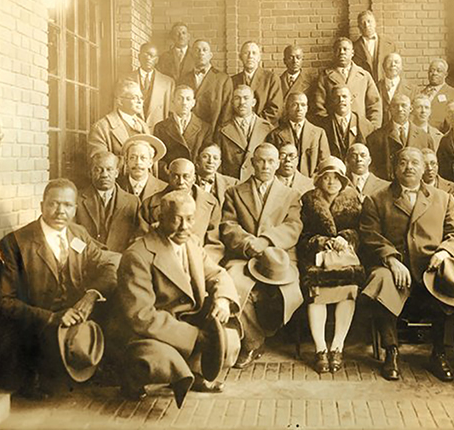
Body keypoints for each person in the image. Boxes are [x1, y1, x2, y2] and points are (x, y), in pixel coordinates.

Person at [0, 179, 118, 397]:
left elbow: (109, 262)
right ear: (42, 206)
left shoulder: (78, 236)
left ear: (75, 209)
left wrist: (91, 295)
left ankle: (90, 364)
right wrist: (51, 317)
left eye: (67, 205)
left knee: (118, 305)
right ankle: (39, 374)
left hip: (72, 326)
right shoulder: (15, 244)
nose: (60, 211)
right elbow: (1, 302)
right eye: (54, 204)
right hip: (34, 327)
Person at [117, 191, 241, 406]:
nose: (185, 226)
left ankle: (191, 370)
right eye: (177, 218)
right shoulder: (138, 255)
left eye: (190, 218)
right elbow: (141, 316)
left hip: (183, 326)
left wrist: (222, 299)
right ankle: (134, 378)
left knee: (229, 342)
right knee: (160, 362)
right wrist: (194, 336)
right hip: (150, 333)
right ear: (161, 218)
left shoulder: (190, 243)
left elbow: (216, 273)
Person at [360, 147, 454, 382]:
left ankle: (439, 353)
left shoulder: (443, 198)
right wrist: (390, 259)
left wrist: (444, 252)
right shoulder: (377, 199)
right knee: (381, 279)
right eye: (403, 163)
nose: (409, 167)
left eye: (414, 163)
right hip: (395, 268)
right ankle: (392, 351)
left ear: (424, 168)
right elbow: (370, 235)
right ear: (394, 168)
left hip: (429, 266)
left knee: (448, 279)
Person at [220, 143, 303, 368]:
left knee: (285, 291)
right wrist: (248, 243)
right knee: (231, 283)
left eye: (270, 161)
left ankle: (261, 334)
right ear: (252, 163)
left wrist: (266, 241)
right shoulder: (234, 192)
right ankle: (253, 342)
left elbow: (293, 226)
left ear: (278, 164)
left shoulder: (291, 195)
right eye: (261, 161)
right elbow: (228, 225)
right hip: (244, 256)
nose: (265, 165)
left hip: (278, 256)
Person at [297, 158, 365, 373]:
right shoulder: (308, 200)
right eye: (326, 177)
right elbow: (302, 235)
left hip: (345, 257)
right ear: (319, 180)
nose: (331, 182)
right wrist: (321, 241)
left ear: (343, 181)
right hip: (316, 257)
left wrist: (346, 238)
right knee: (316, 290)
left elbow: (360, 230)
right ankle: (320, 349)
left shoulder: (352, 199)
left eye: (336, 178)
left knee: (349, 290)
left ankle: (337, 346)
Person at [139, 158, 223, 264]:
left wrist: (199, 263)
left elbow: (214, 244)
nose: (180, 182)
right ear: (169, 177)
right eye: (175, 176)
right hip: (161, 263)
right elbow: (142, 239)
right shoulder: (149, 204)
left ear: (194, 178)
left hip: (200, 263)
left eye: (186, 176)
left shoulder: (211, 203)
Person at [75, 151, 141, 253]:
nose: (104, 175)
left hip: (120, 262)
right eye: (98, 170)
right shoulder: (76, 199)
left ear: (116, 173)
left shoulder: (133, 202)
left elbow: (138, 237)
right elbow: (70, 236)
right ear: (90, 173)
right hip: (86, 261)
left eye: (109, 169)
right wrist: (86, 254)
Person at [312, 37, 382, 130]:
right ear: (334, 53)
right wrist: (328, 127)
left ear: (352, 53)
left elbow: (374, 104)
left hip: (360, 128)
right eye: (338, 49)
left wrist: (372, 127)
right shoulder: (325, 77)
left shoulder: (364, 76)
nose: (342, 52)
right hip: (335, 129)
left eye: (345, 49)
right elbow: (319, 106)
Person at [367, 94, 435, 181]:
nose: (400, 109)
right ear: (389, 109)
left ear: (410, 109)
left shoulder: (424, 137)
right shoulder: (375, 138)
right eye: (395, 106)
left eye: (404, 105)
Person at [216, 84, 274, 181]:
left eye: (246, 98)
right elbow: (218, 164)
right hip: (232, 184)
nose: (242, 102)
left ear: (253, 102)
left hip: (259, 182)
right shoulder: (222, 130)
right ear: (232, 102)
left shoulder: (268, 129)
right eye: (237, 98)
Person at [153, 84, 213, 178]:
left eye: (188, 99)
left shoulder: (205, 128)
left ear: (193, 103)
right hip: (171, 177)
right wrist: (169, 172)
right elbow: (157, 158)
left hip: (194, 177)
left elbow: (206, 157)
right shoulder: (160, 127)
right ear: (172, 102)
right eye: (179, 99)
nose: (184, 103)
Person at [266, 91, 330, 178]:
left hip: (311, 184)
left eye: (303, 105)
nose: (299, 109)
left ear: (307, 108)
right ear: (287, 108)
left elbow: (325, 163)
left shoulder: (319, 133)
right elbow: (271, 163)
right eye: (295, 105)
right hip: (284, 184)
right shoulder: (275, 134)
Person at [88, 79, 151, 160]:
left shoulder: (144, 126)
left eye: (141, 98)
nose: (139, 101)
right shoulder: (101, 127)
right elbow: (100, 164)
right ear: (120, 101)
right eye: (134, 97)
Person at [179, 39, 233, 133]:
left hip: (213, 132)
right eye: (197, 50)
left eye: (204, 50)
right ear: (191, 55)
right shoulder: (183, 79)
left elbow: (227, 112)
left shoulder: (223, 79)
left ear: (210, 55)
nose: (201, 53)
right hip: (189, 133)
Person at [232, 41, 283, 125]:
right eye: (246, 53)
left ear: (259, 57)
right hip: (239, 128)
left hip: (264, 129)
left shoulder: (271, 79)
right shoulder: (232, 81)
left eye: (254, 53)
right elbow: (229, 109)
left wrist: (252, 124)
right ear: (240, 57)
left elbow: (275, 110)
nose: (250, 56)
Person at [128, 42, 176, 130]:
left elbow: (171, 113)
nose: (148, 58)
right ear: (139, 57)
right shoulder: (126, 79)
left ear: (157, 60)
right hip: (132, 130)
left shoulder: (167, 83)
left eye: (152, 56)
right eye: (145, 55)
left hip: (157, 132)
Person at [320, 85, 374, 160]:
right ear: (332, 101)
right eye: (336, 97)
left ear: (351, 100)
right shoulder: (322, 125)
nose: (341, 100)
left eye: (344, 96)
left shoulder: (365, 125)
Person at [117, 135, 168, 202]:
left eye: (143, 158)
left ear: (150, 162)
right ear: (127, 161)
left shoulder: (164, 188)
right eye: (133, 158)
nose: (138, 162)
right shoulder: (117, 186)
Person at [352, 10, 395, 84]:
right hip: (364, 85)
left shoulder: (389, 45)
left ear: (375, 23)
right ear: (359, 27)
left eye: (369, 21)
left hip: (385, 85)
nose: (366, 25)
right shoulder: (353, 47)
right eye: (363, 23)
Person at [418, 59, 454, 131]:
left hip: (441, 135)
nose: (434, 73)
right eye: (431, 70)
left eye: (438, 71)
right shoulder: (420, 93)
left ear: (445, 75)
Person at [195, 143, 238, 207]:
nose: (210, 161)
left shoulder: (233, 184)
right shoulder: (187, 181)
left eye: (215, 158)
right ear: (198, 160)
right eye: (205, 156)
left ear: (219, 163)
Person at [376, 53, 413, 124]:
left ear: (402, 66)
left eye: (396, 62)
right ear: (383, 66)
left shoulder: (412, 90)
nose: (393, 64)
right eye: (389, 62)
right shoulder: (375, 87)